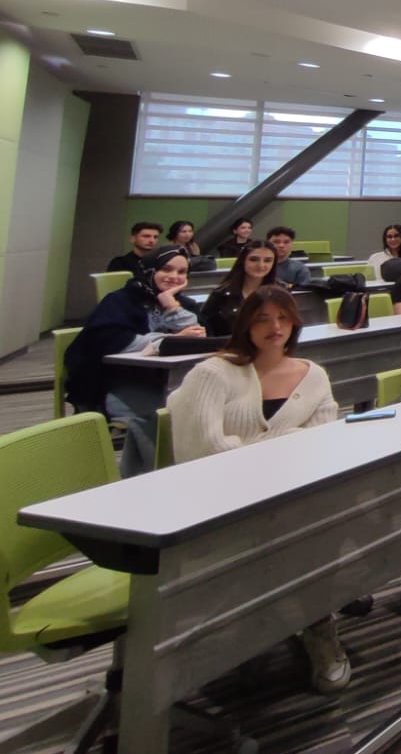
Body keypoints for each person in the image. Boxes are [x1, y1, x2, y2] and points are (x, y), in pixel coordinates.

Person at [165, 285, 347, 693]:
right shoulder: (213, 373)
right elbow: (203, 450)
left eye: (283, 318)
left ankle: (318, 624)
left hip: (288, 497)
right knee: (311, 536)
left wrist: (262, 449)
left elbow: (322, 442)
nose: (274, 327)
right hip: (219, 501)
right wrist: (288, 441)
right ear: (245, 325)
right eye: (262, 319)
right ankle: (306, 622)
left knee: (330, 523)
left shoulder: (313, 375)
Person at [64, 245, 208, 475]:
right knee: (158, 416)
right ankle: (165, 475)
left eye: (182, 272)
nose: (174, 276)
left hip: (170, 382)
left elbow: (199, 337)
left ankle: (139, 476)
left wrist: (171, 306)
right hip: (118, 383)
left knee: (199, 411)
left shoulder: (184, 304)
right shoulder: (119, 301)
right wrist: (167, 341)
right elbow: (109, 339)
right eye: (166, 269)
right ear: (149, 270)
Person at [199, 240, 278, 337]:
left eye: (268, 260)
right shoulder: (221, 294)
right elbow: (206, 326)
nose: (261, 265)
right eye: (253, 259)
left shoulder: (281, 292)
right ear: (243, 260)